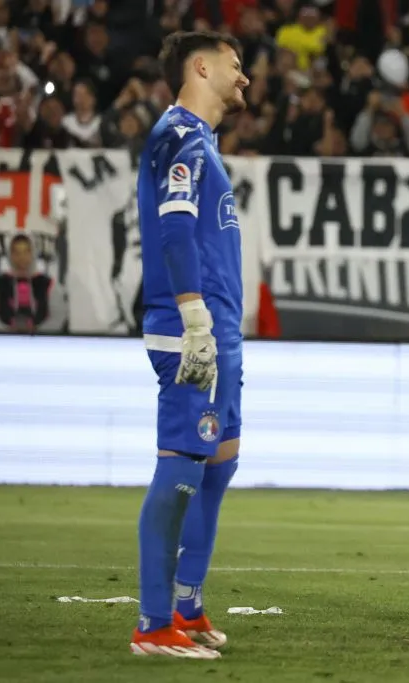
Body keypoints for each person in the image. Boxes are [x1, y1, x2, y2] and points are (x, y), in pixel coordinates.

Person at [131, 30, 249, 658]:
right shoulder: (180, 136)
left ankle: (187, 603)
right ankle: (153, 625)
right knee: (180, 464)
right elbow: (175, 231)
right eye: (236, 66)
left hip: (218, 329)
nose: (245, 78)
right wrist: (194, 318)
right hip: (192, 330)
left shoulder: (201, 142)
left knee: (220, 460)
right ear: (200, 67)